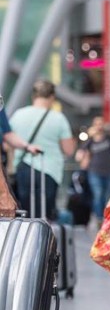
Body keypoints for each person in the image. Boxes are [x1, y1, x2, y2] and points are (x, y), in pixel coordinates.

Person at [9, 81, 75, 219]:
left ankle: (25, 238)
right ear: (52, 97)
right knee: (44, 213)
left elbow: (7, 144)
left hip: (22, 167)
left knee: (24, 211)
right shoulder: (59, 118)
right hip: (49, 169)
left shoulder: (18, 115)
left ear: (34, 96)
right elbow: (69, 150)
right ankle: (42, 238)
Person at [76, 116, 110, 226]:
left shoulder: (109, 138)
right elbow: (79, 155)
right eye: (97, 124)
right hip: (94, 171)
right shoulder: (90, 141)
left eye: (101, 124)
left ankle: (107, 217)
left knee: (107, 196)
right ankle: (99, 218)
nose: (99, 126)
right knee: (98, 195)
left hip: (108, 171)